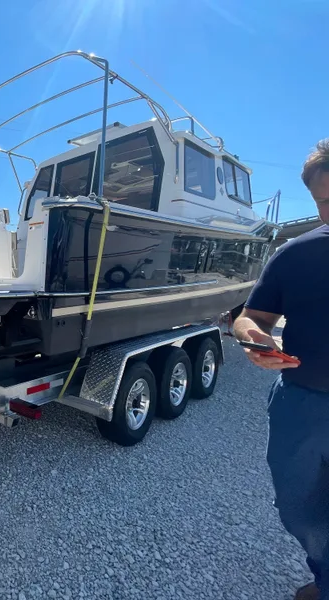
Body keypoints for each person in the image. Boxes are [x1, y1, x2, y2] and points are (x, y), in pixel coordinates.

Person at [234, 138, 329, 600]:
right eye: (326, 202)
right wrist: (254, 338)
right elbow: (250, 316)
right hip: (300, 404)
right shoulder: (294, 253)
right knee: (299, 510)